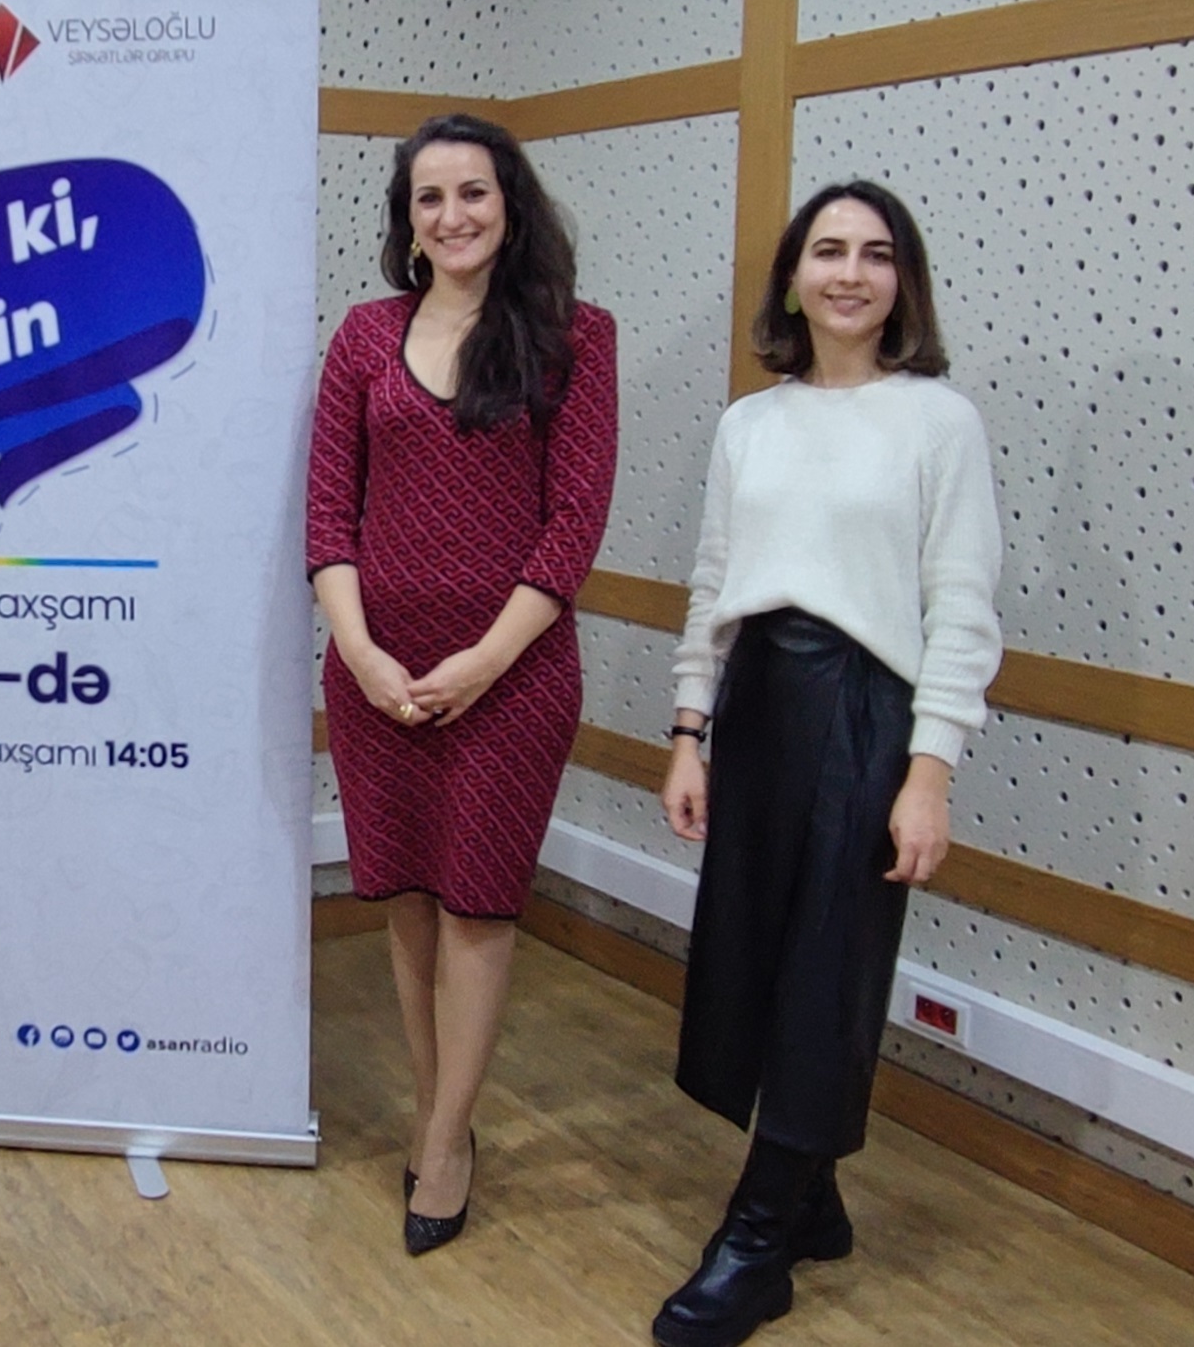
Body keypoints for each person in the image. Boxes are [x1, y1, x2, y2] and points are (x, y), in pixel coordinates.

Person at [651, 180, 1001, 1347]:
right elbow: (713, 583)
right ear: (792, 278)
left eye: (875, 254)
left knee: (827, 970)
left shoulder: (936, 422)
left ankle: (757, 1240)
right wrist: (689, 731)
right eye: (827, 250)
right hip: (757, 701)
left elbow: (960, 608)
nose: (849, 272)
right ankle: (814, 1202)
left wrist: (927, 771)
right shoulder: (748, 423)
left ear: (902, 282)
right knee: (751, 957)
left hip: (864, 710)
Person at [305, 112, 617, 1255]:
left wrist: (481, 664)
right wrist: (361, 654)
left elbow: (571, 525)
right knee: (405, 903)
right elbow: (326, 516)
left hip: (510, 681)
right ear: (405, 220)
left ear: (509, 204)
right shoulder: (362, 336)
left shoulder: (574, 337)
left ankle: (441, 1144)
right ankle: (440, 1114)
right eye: (427, 198)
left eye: (472, 192)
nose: (451, 216)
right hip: (377, 678)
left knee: (477, 908)